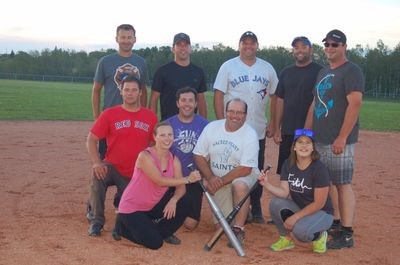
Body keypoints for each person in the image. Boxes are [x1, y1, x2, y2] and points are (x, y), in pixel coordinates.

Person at [305, 29, 364, 249]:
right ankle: (335, 223)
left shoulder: (351, 71)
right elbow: (315, 104)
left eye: (334, 45)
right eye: (327, 44)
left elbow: (355, 103)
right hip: (320, 139)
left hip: (339, 141)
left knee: (342, 184)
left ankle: (347, 233)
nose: (330, 48)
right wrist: (306, 133)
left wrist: (342, 137)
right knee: (327, 183)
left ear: (344, 47)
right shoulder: (323, 72)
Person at [213, 31, 278, 223]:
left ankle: (255, 206)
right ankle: (234, 205)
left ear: (257, 45)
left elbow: (275, 96)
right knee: (230, 164)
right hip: (232, 128)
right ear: (239, 45)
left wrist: (273, 122)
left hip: (257, 128)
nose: (248, 46)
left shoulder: (267, 68)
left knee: (255, 169)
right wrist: (219, 123)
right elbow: (218, 95)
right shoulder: (228, 66)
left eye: (252, 43)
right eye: (245, 43)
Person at [86, 73, 158, 236]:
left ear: (140, 92)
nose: (130, 93)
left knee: (131, 211)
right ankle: (97, 221)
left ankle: (121, 202)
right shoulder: (110, 114)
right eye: (127, 90)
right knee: (98, 175)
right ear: (121, 91)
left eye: (134, 90)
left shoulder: (150, 117)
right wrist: (97, 162)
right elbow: (91, 139)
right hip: (112, 167)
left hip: (135, 173)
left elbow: (156, 144)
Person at [113, 121, 202, 250]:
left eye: (170, 135)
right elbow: (159, 181)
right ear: (155, 137)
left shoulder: (174, 159)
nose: (167, 138)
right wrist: (188, 179)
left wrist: (174, 200)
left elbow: (181, 188)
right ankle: (122, 227)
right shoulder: (145, 156)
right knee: (155, 244)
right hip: (133, 207)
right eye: (162, 135)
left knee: (186, 200)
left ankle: (158, 232)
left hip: (152, 205)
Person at [193, 98, 260, 247]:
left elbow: (245, 168)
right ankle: (242, 210)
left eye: (239, 113)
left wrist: (219, 181)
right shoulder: (212, 127)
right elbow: (198, 155)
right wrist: (210, 178)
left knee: (239, 185)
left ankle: (239, 228)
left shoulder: (250, 134)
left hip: (243, 176)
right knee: (222, 229)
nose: (235, 116)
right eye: (231, 111)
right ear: (226, 111)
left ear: (245, 115)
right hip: (217, 179)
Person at [259, 128, 333, 253]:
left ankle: (320, 236)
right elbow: (284, 192)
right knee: (275, 203)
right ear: (294, 147)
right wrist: (266, 184)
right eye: (300, 142)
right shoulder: (288, 164)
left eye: (308, 143)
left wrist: (295, 218)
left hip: (322, 213)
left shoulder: (319, 169)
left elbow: (319, 203)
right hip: (302, 208)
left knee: (300, 232)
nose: (304, 146)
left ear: (313, 147)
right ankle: (286, 238)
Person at [92, 24, 148, 160]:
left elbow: (144, 91)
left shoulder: (141, 62)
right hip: (110, 118)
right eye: (123, 37)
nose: (126, 40)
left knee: (134, 157)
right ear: (117, 39)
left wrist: (143, 113)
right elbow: (96, 90)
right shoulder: (105, 61)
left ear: (135, 39)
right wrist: (97, 118)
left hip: (134, 119)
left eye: (129, 37)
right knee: (106, 159)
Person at [274, 36, 323, 174]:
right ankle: (287, 195)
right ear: (293, 51)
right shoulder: (286, 72)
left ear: (311, 50)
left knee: (308, 170)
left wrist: (308, 130)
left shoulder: (320, 71)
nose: (299, 50)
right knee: (287, 170)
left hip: (311, 131)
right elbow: (280, 99)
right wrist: (277, 128)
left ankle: (307, 196)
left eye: (303, 47)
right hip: (289, 130)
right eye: (296, 47)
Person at [166, 87, 208, 230]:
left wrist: (205, 175)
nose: (187, 104)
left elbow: (209, 154)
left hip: (193, 178)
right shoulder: (167, 124)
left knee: (190, 224)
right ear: (178, 103)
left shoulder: (205, 125)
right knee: (163, 216)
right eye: (183, 100)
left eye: (191, 100)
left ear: (196, 103)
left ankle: (181, 207)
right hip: (171, 178)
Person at [149, 32, 208, 120]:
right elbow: (154, 99)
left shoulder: (198, 72)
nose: (182, 48)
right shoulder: (162, 71)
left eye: (185, 45)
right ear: (173, 49)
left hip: (191, 127)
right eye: (179, 45)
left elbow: (201, 101)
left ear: (190, 49)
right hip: (168, 127)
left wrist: (204, 124)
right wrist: (153, 123)